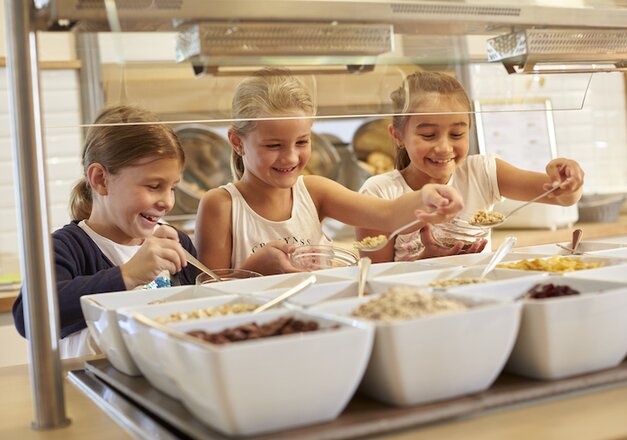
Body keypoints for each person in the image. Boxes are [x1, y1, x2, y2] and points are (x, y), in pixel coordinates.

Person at [195, 68, 465, 272]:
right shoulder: (221, 206)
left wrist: (428, 196)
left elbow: (387, 214)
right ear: (237, 142)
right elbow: (207, 295)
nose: (290, 157)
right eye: (274, 145)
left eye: (302, 141)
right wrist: (254, 270)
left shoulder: (314, 191)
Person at [11, 105, 202, 358]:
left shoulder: (177, 244)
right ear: (100, 179)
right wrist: (128, 275)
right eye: (154, 186)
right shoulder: (66, 247)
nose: (167, 201)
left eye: (173, 187)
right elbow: (29, 318)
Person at [356, 71, 584, 263]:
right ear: (398, 136)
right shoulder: (379, 192)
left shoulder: (482, 172)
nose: (444, 148)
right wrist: (427, 260)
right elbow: (373, 278)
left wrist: (568, 180)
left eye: (457, 134)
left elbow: (561, 197)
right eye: (428, 135)